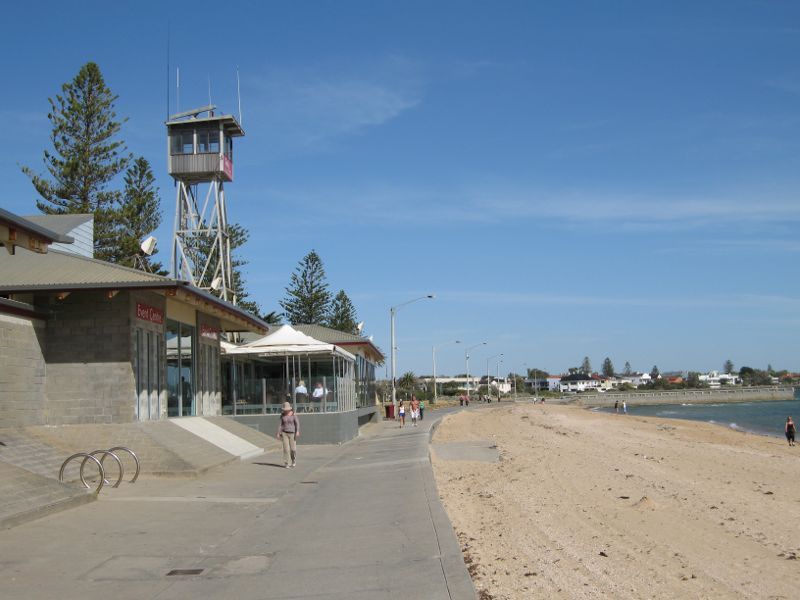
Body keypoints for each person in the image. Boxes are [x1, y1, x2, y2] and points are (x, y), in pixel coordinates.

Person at [276, 402, 300, 468]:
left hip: (292, 433)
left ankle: (293, 460)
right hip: (284, 433)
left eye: (287, 409)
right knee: (286, 449)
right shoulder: (282, 415)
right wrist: (278, 432)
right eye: (284, 409)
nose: (285, 410)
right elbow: (280, 425)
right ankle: (287, 463)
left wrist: (297, 431)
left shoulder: (293, 415)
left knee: (293, 449)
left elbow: (297, 423)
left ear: (289, 409)